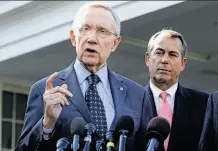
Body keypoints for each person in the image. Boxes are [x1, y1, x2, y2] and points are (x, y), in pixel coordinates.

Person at [15, 2, 153, 151]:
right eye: (85, 29)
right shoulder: (44, 90)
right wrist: (47, 124)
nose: (92, 38)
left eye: (102, 31)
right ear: (73, 37)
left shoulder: (138, 95)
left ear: (115, 43)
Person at [144, 29, 209, 151]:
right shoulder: (129, 101)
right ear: (148, 59)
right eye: (159, 52)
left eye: (173, 54)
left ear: (183, 63)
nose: (164, 60)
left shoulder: (204, 104)